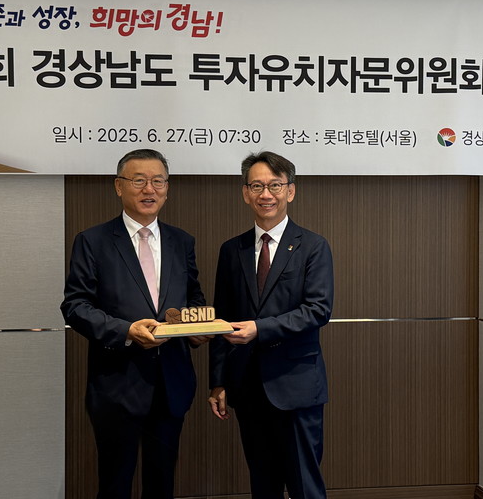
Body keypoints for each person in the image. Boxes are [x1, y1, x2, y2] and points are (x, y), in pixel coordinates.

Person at [62, 149, 208, 499]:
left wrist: (194, 329)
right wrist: (126, 331)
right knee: (115, 484)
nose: (149, 189)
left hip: (171, 383)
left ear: (167, 188)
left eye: (158, 181)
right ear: (119, 186)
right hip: (117, 385)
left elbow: (194, 298)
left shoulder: (181, 241)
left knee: (162, 484)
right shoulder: (93, 241)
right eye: (139, 180)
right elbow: (75, 306)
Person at [208, 151, 334, 499]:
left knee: (305, 487)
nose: (266, 194)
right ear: (245, 193)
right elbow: (222, 319)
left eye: (275, 185)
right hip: (247, 387)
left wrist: (259, 329)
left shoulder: (313, 246)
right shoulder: (231, 250)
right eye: (257, 186)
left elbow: (318, 310)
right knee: (262, 485)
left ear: (290, 191)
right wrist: (218, 381)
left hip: (297, 387)